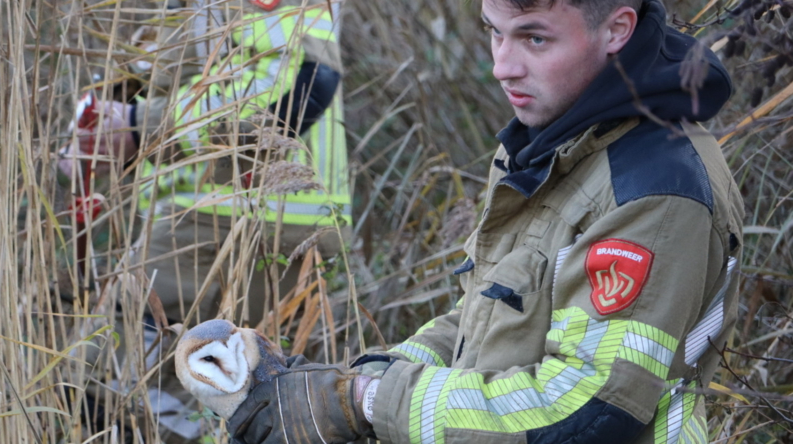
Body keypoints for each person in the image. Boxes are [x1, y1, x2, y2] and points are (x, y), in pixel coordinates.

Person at [227, 0, 744, 442]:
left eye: (535, 39)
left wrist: (369, 401)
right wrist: (358, 380)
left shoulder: (656, 186)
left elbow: (588, 410)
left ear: (616, 29)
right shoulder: (547, 141)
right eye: (495, 32)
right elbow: (483, 321)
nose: (502, 67)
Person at [56, 0, 350, 441]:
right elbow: (173, 73)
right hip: (205, 221)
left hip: (243, 223)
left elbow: (298, 82)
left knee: (100, 384)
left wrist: (138, 126)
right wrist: (100, 128)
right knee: (155, 406)